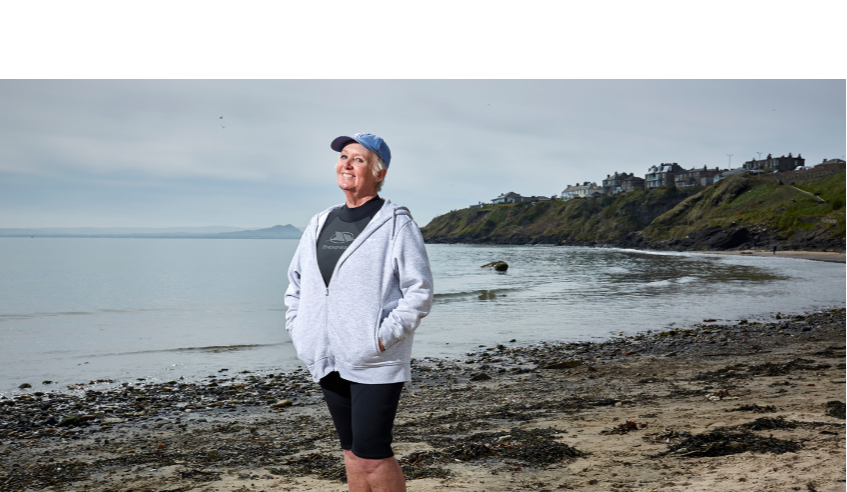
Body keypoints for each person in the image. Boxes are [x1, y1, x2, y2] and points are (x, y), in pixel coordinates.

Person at [284, 133, 434, 491]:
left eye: (359, 159)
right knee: (351, 453)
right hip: (325, 355)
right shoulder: (320, 222)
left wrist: (380, 338)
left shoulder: (397, 223)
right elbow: (296, 284)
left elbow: (419, 291)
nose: (346, 164)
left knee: (373, 454)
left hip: (374, 360)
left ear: (379, 172)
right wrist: (298, 329)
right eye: (343, 157)